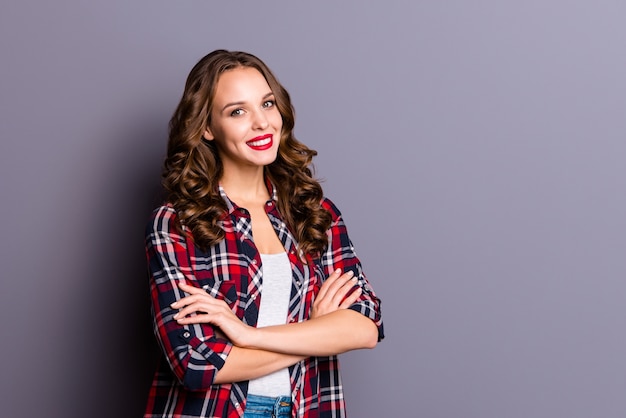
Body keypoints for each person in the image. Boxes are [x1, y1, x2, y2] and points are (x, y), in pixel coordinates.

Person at [144, 49, 384, 418]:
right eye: (237, 111)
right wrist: (316, 332)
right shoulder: (178, 222)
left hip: (303, 408)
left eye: (267, 104)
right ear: (207, 127)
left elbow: (365, 326)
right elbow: (195, 363)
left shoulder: (315, 213)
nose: (261, 123)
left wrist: (247, 335)